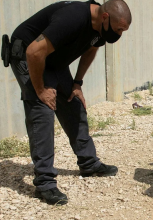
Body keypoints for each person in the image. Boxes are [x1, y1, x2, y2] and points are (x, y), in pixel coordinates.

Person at [5, 0, 132, 205]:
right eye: (119, 29)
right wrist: (40, 90)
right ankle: (45, 183)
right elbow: (34, 52)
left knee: (74, 103)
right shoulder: (72, 18)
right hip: (29, 55)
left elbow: (91, 48)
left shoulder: (100, 26)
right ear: (105, 17)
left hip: (53, 59)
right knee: (43, 108)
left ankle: (88, 163)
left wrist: (77, 83)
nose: (119, 34)